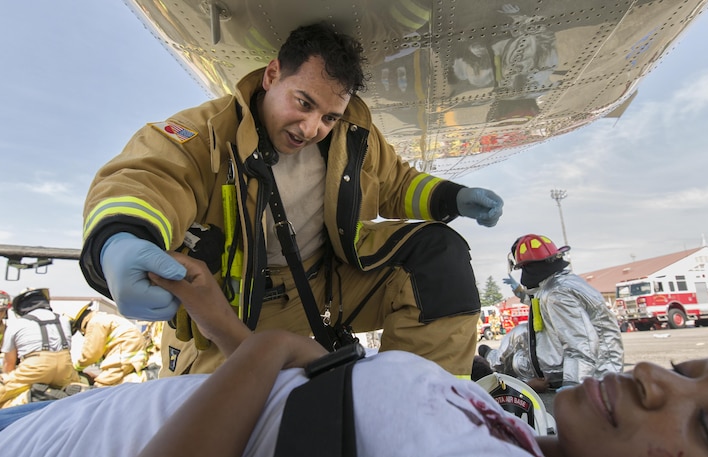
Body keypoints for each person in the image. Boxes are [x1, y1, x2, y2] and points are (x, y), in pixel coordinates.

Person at [0, 252, 708, 457]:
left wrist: (263, 351)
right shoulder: (530, 446)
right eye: (686, 370)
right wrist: (222, 322)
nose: (651, 377)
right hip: (42, 430)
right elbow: (308, 418)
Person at [79, 22, 503, 378]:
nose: (311, 127)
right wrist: (120, 239)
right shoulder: (203, 132)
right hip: (229, 311)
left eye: (329, 116)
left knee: (437, 255)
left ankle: (422, 412)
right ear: (272, 75)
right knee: (230, 444)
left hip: (325, 291)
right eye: (303, 103)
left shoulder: (352, 138)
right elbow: (148, 176)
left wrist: (454, 196)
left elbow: (397, 184)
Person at [488, 234, 624, 392]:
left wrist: (572, 386)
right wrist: (520, 292)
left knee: (518, 348)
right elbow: (538, 304)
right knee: (521, 334)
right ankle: (492, 357)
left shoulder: (556, 294)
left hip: (596, 373)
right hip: (593, 365)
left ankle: (490, 361)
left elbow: (581, 343)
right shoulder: (558, 284)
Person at [0, 289, 79, 410]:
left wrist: (7, 382)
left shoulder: (17, 324)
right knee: (72, 383)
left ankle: (31, 398)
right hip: (65, 367)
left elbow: (9, 364)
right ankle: (76, 393)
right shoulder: (64, 320)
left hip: (34, 367)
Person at [71, 304, 150, 387]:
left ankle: (147, 379)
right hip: (129, 350)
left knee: (102, 386)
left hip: (123, 352)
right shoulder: (103, 318)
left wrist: (76, 367)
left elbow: (91, 353)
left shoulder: (94, 323)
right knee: (118, 382)